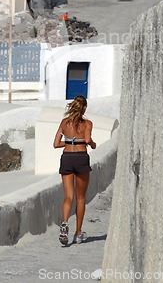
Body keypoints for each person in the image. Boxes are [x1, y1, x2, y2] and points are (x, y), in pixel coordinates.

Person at [53, 95, 97, 245]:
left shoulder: (65, 123)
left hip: (67, 157)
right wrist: (93, 144)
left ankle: (65, 222)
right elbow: (86, 140)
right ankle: (78, 233)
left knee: (68, 196)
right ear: (84, 108)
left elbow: (55, 144)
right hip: (80, 157)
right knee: (80, 197)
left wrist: (70, 141)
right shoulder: (87, 123)